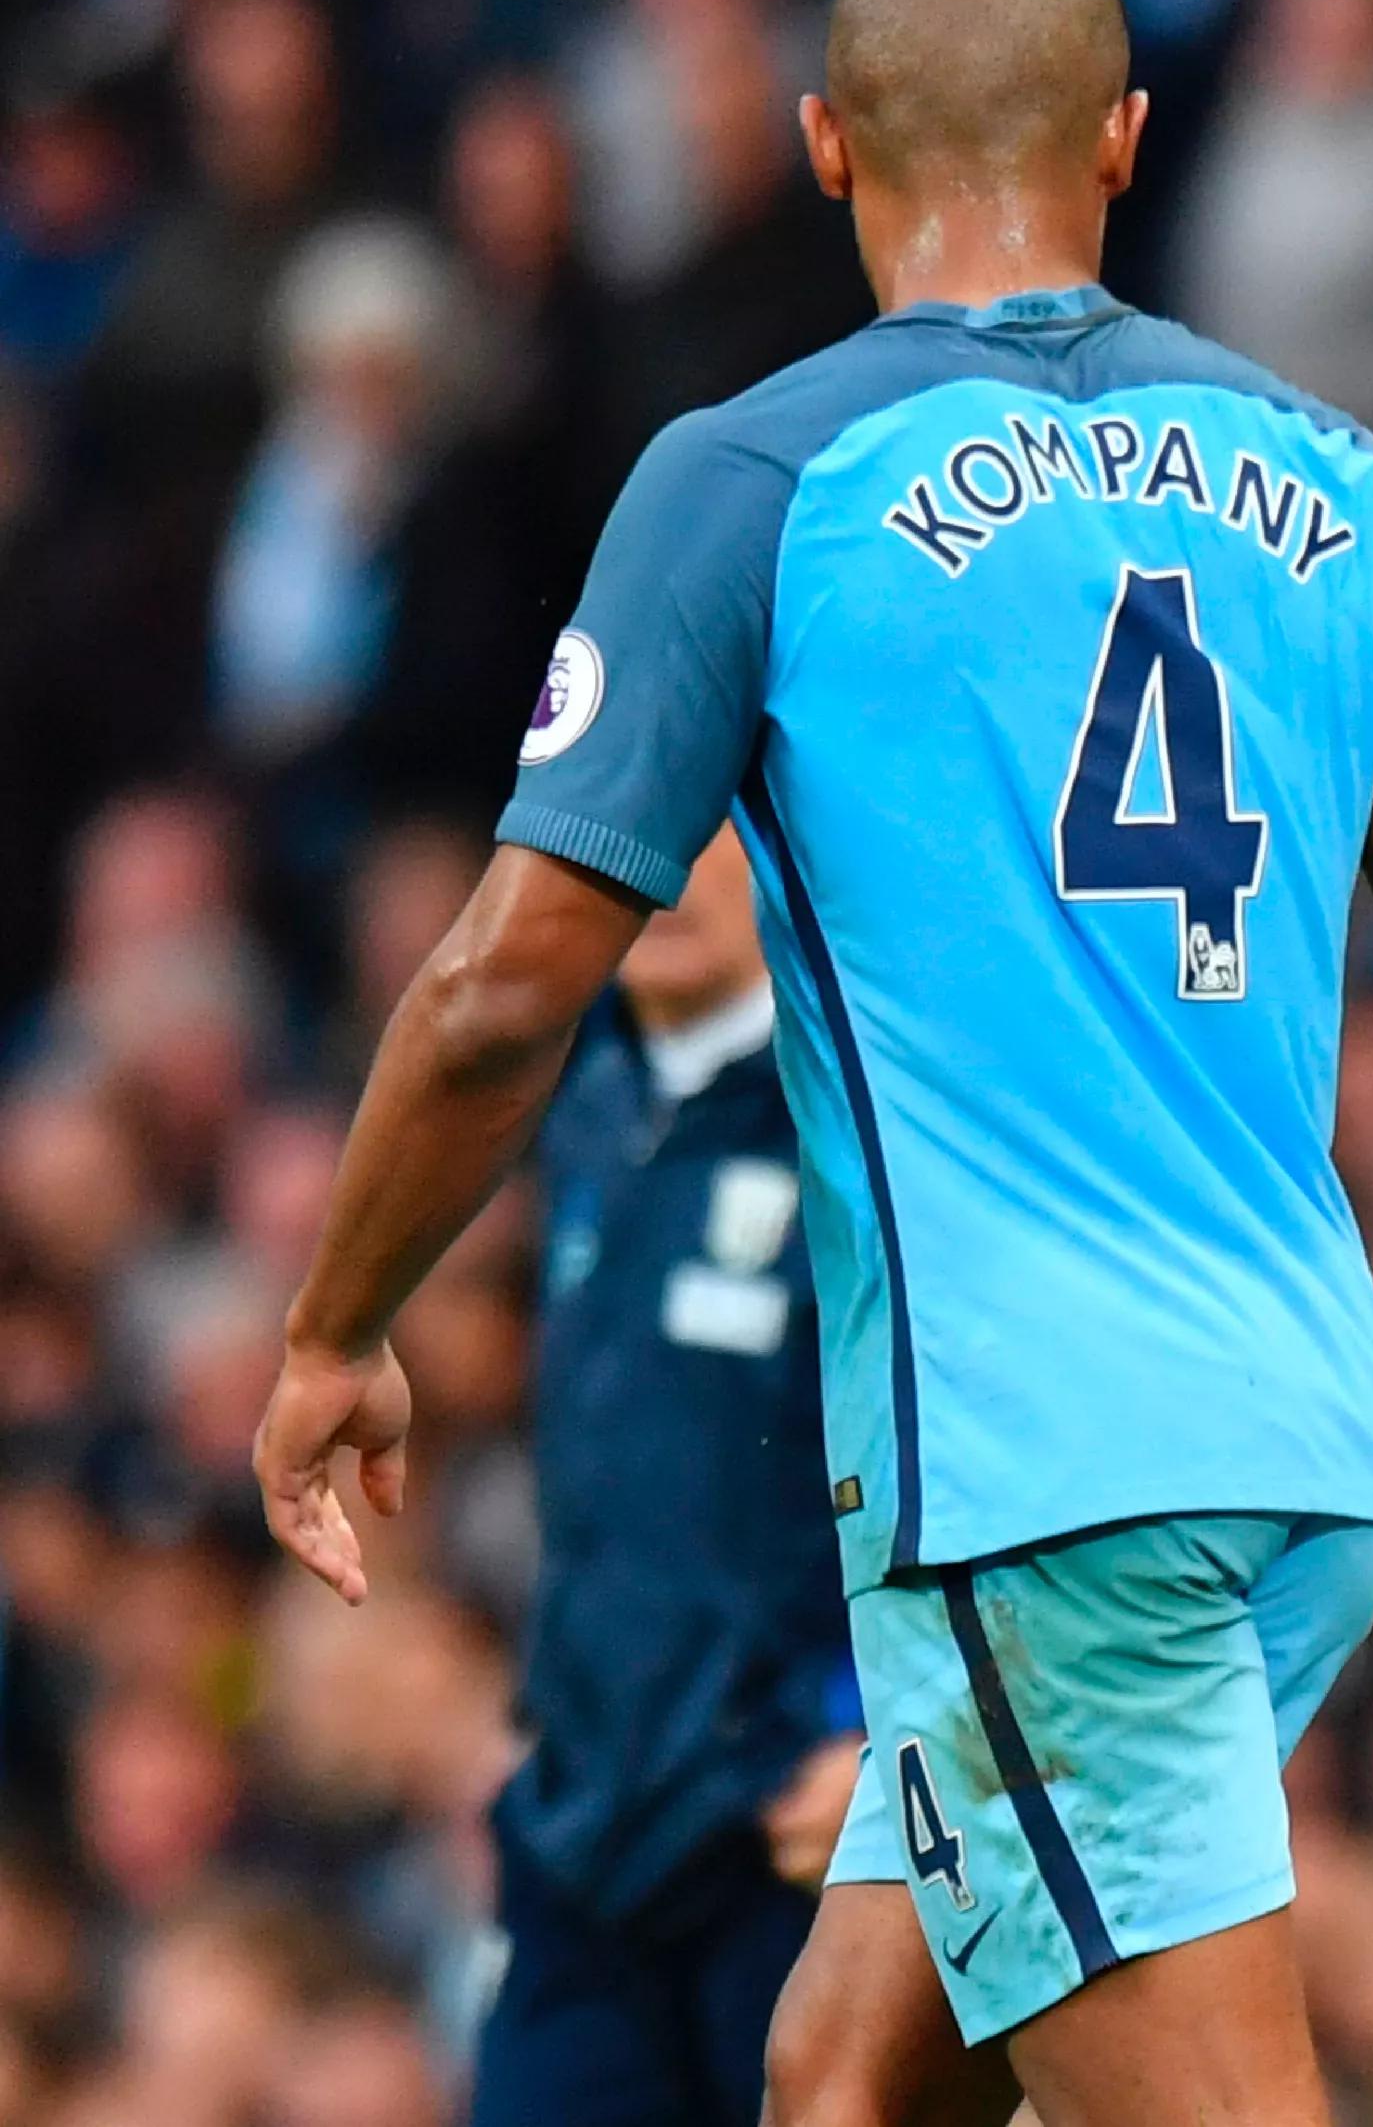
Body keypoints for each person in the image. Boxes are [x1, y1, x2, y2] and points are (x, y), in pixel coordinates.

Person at [248, 0, 1373, 2127]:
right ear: (1126, 140)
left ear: (823, 145)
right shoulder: (1346, 481)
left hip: (1043, 1483)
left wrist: (334, 1325)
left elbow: (495, 996)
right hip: (1309, 1448)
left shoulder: (757, 480)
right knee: (845, 2087)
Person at [469, 830, 857, 2127]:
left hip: (789, 1830)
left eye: (712, 828)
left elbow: (963, 1446)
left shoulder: (861, 1115)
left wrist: (891, 1736)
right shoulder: (582, 1100)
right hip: (586, 1831)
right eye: (648, 824)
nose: (671, 868)